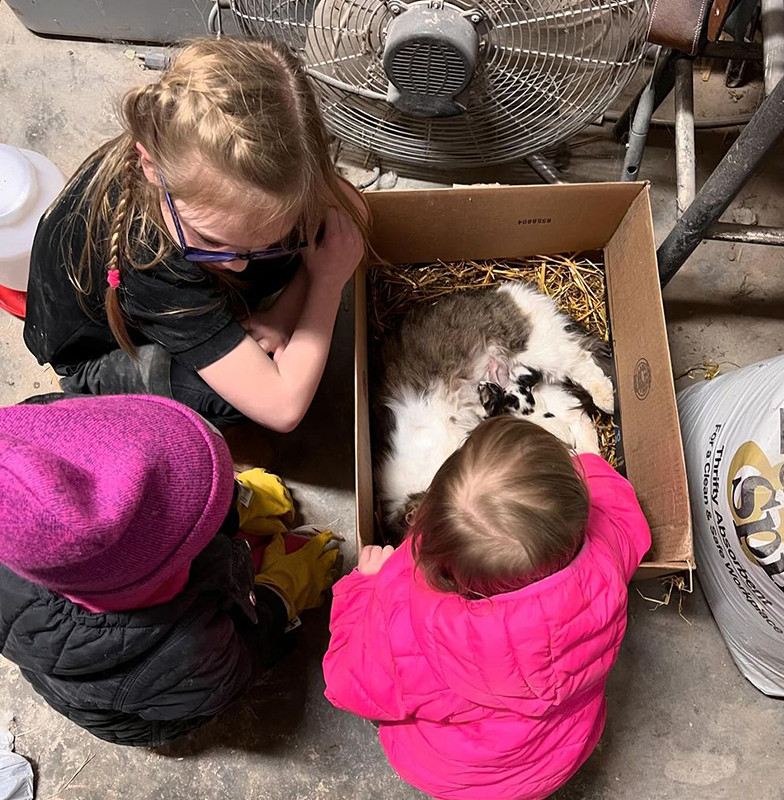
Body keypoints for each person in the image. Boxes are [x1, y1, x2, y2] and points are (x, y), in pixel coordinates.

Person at [24, 38, 367, 429]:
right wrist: (325, 284)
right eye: (214, 242)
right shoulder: (148, 263)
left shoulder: (191, 155)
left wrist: (282, 315)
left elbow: (350, 208)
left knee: (312, 241)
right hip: (97, 352)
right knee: (240, 399)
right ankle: (97, 388)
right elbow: (283, 409)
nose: (237, 265)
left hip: (178, 263)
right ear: (151, 167)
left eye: (260, 244)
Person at [323, 416, 651, 800]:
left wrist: (364, 585)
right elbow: (614, 496)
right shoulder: (606, 549)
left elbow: (346, 682)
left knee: (399, 706)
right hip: (563, 752)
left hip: (462, 777)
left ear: (431, 546)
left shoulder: (405, 617)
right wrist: (570, 471)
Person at [0, 393, 339, 746]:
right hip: (157, 704)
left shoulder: (31, 435)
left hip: (91, 606)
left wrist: (234, 500)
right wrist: (278, 595)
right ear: (160, 581)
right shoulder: (187, 653)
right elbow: (240, 663)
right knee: (237, 640)